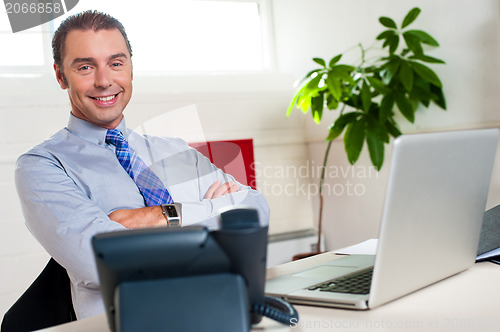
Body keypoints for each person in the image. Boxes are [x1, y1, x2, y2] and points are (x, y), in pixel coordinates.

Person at [14, 10, 270, 320]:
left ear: (131, 70)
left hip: (216, 312)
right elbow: (99, 262)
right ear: (60, 76)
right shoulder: (43, 165)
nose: (104, 80)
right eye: (85, 66)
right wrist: (211, 211)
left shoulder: (174, 150)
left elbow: (254, 214)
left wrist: (162, 216)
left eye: (116, 64)